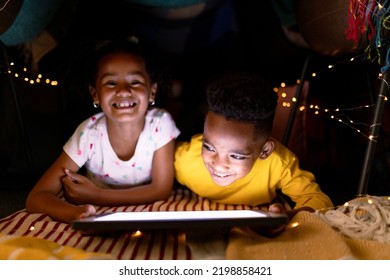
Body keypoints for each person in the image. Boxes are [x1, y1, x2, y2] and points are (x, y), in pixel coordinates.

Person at [26, 38, 181, 224]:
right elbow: (36, 197)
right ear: (95, 94)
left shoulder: (160, 124)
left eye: (135, 82)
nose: (123, 91)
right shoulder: (88, 134)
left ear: (152, 92)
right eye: (111, 83)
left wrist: (96, 195)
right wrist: (74, 214)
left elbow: (160, 190)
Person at [174, 72, 333, 233]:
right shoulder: (186, 159)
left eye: (236, 156)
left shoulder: (279, 163)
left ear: (265, 151)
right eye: (209, 147)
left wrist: (286, 216)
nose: (219, 164)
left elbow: (319, 201)